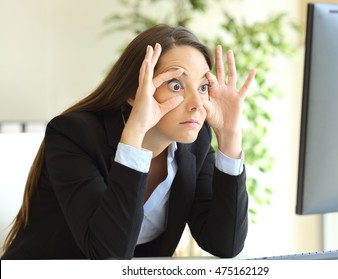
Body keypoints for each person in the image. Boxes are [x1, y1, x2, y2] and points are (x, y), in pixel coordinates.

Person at [1, 24, 256, 260]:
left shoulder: (195, 142)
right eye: (176, 85)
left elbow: (225, 243)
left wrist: (230, 136)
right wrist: (134, 139)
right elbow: (107, 255)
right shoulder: (74, 134)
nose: (197, 104)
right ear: (135, 92)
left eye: (202, 87)